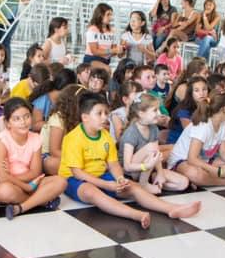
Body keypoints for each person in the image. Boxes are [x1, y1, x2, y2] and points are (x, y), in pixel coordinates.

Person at [60, 92, 200, 229]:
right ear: (85, 117)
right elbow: (78, 173)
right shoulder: (73, 138)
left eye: (106, 113)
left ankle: (171, 208)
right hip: (74, 179)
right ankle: (135, 214)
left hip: (100, 175)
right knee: (91, 192)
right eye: (99, 113)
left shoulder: (105, 135)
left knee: (132, 186)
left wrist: (120, 178)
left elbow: (113, 163)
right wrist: (106, 184)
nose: (104, 117)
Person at [0, 98, 65, 219]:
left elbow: (35, 172)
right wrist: (26, 187)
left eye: (26, 116)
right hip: (5, 184)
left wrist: (21, 181)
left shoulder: (35, 138)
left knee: (61, 181)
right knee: (4, 191)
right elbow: (2, 178)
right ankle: (41, 201)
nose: (23, 122)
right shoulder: (1, 141)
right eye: (16, 119)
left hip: (27, 182)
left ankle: (21, 207)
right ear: (8, 123)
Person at [168, 91, 225, 187]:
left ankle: (205, 179)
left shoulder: (223, 123)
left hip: (203, 160)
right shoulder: (203, 126)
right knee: (196, 174)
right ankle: (224, 182)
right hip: (182, 160)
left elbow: (224, 152)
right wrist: (218, 171)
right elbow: (192, 159)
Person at [120, 94, 190, 193]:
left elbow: (156, 154)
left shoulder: (153, 128)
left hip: (149, 169)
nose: (159, 113)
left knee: (183, 183)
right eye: (154, 110)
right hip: (132, 172)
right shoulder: (131, 132)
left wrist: (160, 173)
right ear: (141, 113)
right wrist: (147, 166)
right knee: (152, 147)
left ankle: (150, 183)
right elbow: (127, 166)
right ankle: (143, 185)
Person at [83, 3, 120, 69]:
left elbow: (113, 51)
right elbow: (94, 51)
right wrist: (112, 50)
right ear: (100, 15)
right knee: (107, 70)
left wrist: (120, 50)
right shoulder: (92, 29)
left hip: (105, 61)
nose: (111, 17)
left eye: (111, 15)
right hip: (91, 59)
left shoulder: (112, 31)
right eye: (108, 14)